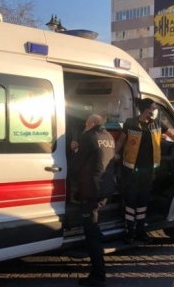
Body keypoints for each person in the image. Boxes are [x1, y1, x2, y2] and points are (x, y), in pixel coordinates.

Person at [115, 98, 174, 243]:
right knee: (131, 201)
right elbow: (121, 141)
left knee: (143, 201)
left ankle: (140, 231)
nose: (155, 110)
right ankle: (130, 232)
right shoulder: (130, 123)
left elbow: (173, 135)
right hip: (131, 169)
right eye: (153, 108)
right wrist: (114, 155)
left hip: (147, 170)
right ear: (147, 110)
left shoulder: (157, 124)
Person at [74, 114, 117, 287]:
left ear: (91, 123)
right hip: (105, 190)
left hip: (91, 191)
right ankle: (98, 264)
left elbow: (76, 164)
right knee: (95, 229)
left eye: (86, 124)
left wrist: (74, 150)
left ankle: (98, 275)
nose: (85, 127)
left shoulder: (88, 137)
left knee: (91, 234)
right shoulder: (109, 137)